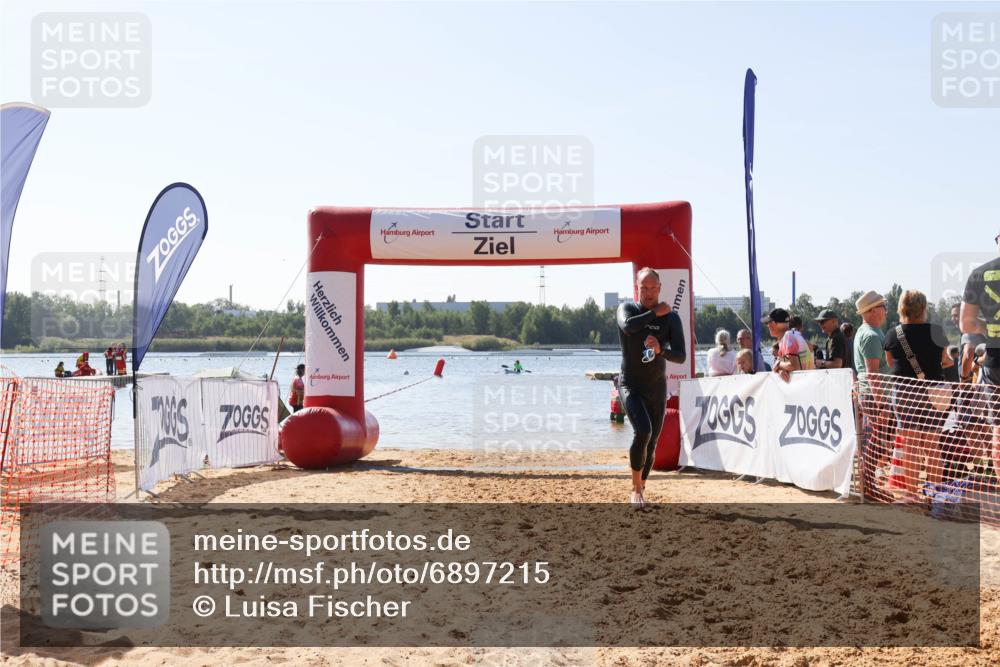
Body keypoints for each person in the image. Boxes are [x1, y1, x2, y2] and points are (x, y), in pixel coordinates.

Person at [616, 267, 686, 509]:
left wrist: (660, 350)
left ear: (659, 288)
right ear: (637, 288)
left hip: (656, 386)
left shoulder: (671, 318)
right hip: (630, 384)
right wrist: (655, 312)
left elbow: (680, 356)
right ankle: (635, 490)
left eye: (652, 288)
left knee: (653, 441)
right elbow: (628, 327)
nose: (648, 292)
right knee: (643, 432)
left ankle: (642, 486)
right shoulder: (627, 309)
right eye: (643, 288)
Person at [883, 290, 953, 499]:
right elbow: (946, 360)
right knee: (932, 446)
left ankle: (912, 496)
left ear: (901, 308)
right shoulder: (936, 331)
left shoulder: (893, 334)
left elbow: (890, 363)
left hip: (905, 392)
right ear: (923, 308)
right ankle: (935, 496)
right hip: (934, 391)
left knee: (911, 447)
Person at [959, 240, 1000, 478]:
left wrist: (990, 327)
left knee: (998, 430)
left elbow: (966, 324)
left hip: (996, 362)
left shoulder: (979, 274)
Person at [764, 308, 813, 382]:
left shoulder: (789, 337)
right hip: (806, 382)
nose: (768, 326)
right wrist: (780, 369)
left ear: (774, 323)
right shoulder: (791, 336)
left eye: (768, 323)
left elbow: (794, 366)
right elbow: (787, 365)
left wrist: (778, 364)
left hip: (804, 383)